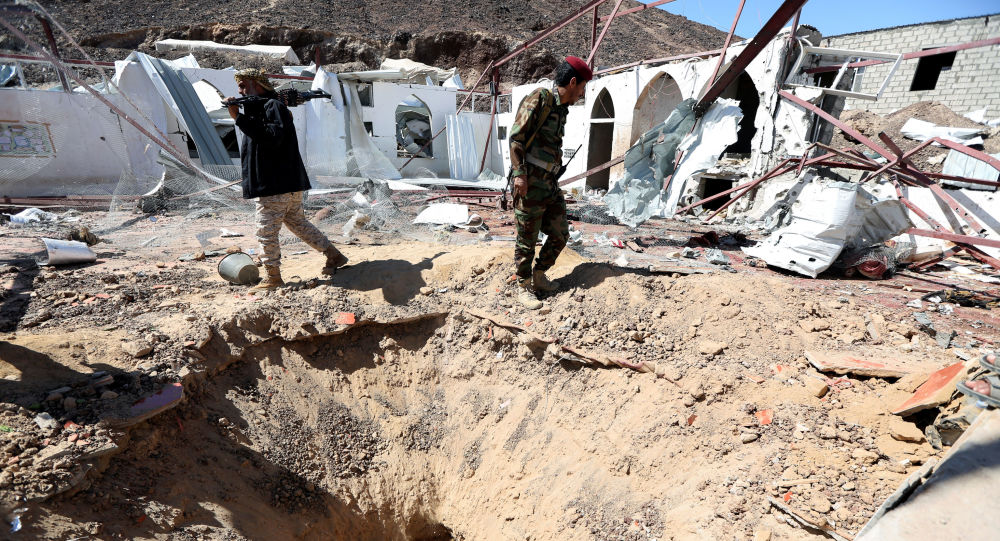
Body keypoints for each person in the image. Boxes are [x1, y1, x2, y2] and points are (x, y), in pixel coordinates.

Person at [225, 68, 348, 290]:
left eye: (243, 85)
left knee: (266, 231)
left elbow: (272, 137)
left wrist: (239, 118)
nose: (240, 91)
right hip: (285, 183)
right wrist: (243, 115)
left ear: (257, 84)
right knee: (298, 223)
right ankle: (333, 255)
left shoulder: (273, 107)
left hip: (275, 185)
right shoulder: (263, 108)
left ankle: (273, 277)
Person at [508, 56, 592, 310]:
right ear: (573, 82)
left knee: (560, 233)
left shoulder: (562, 109)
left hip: (549, 182)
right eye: (582, 87)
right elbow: (516, 138)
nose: (582, 93)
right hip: (530, 181)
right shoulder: (540, 98)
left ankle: (539, 274)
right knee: (527, 237)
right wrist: (520, 175)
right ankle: (523, 286)